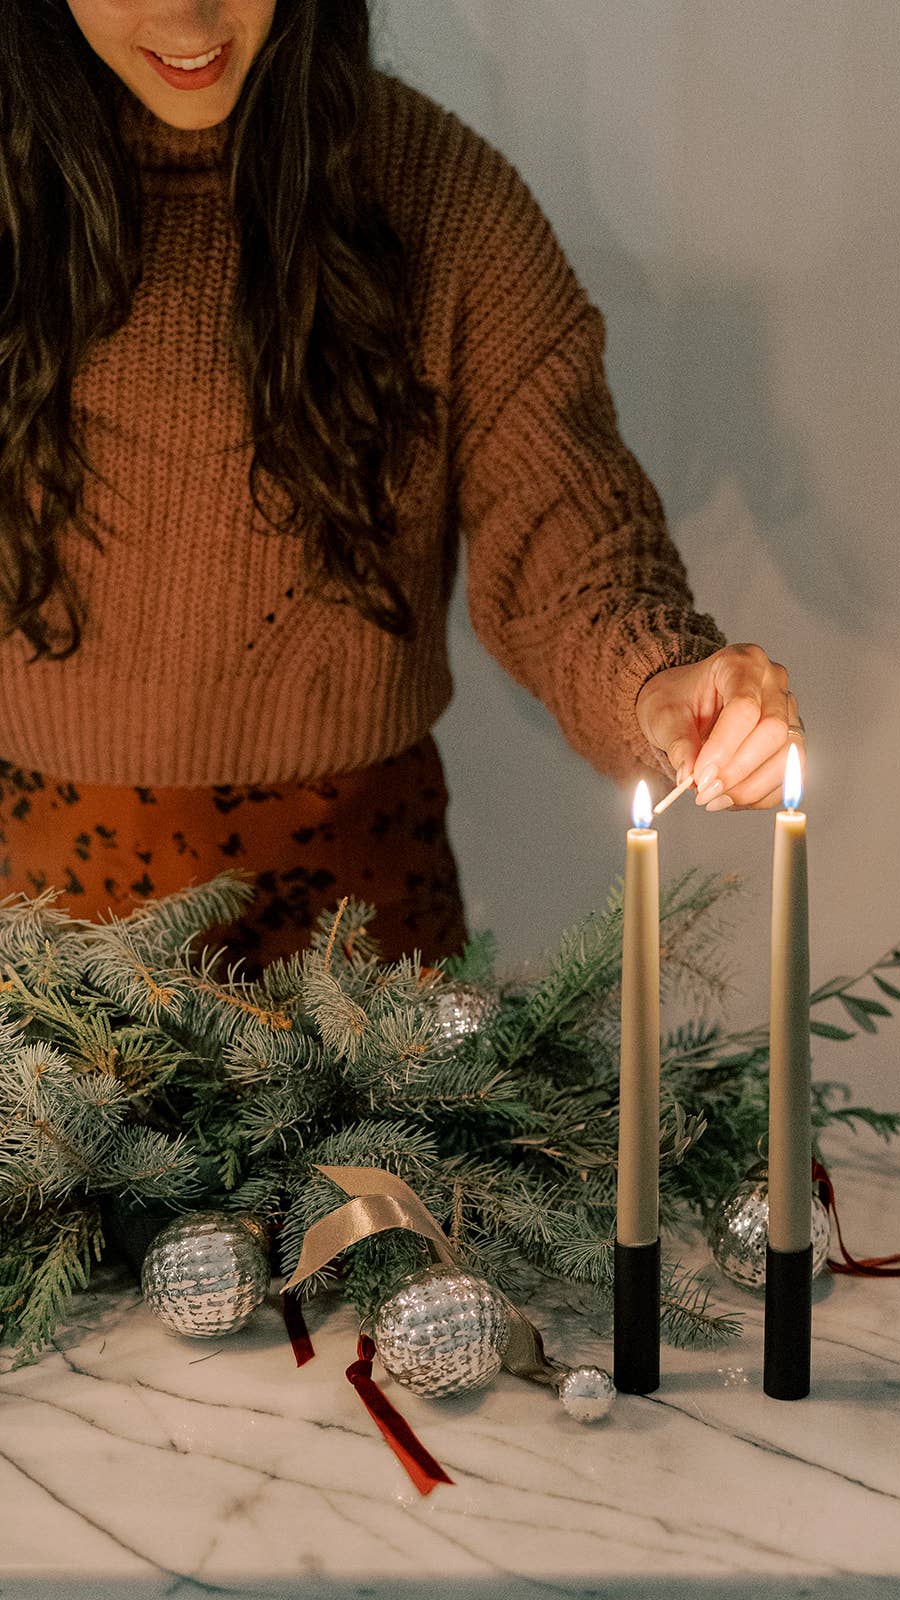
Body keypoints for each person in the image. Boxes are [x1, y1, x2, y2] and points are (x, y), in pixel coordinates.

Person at [0, 0, 803, 969]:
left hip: (363, 945)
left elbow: (561, 536)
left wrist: (659, 681)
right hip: (32, 948)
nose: (189, 13)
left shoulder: (440, 195)